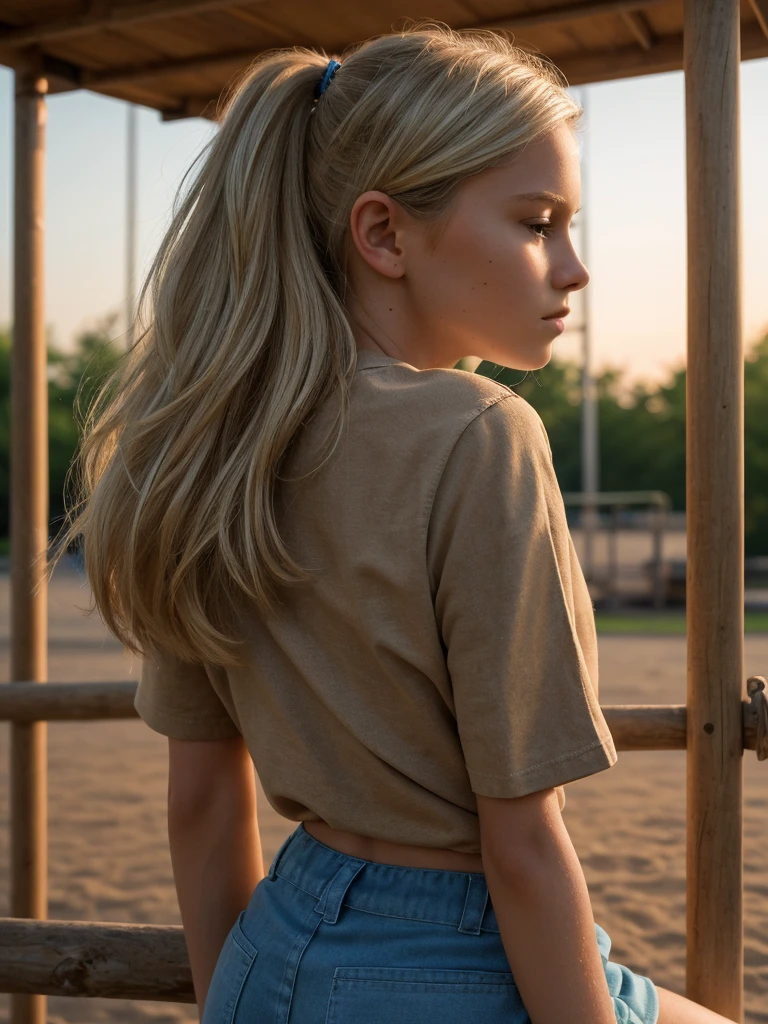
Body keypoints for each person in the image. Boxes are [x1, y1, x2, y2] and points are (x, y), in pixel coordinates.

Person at [46, 22, 737, 1024]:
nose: (574, 268)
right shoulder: (481, 435)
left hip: (267, 947)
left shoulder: (206, 441)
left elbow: (200, 804)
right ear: (384, 236)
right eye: (539, 223)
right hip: (451, 957)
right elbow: (526, 845)